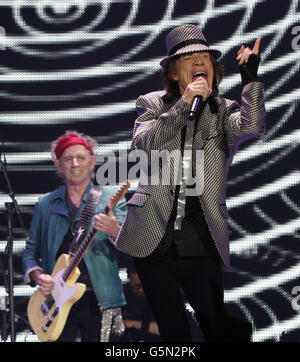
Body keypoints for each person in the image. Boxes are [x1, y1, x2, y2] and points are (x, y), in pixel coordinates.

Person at [115, 24, 266, 341]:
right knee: (174, 333)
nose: (200, 63)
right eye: (190, 58)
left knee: (215, 325)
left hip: (200, 238)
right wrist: (184, 104)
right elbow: (146, 145)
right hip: (153, 239)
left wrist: (251, 79)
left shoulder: (223, 111)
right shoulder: (152, 103)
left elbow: (253, 126)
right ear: (173, 73)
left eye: (205, 58)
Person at [22, 131, 127, 342]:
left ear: (92, 162)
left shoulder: (109, 198)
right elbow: (29, 253)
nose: (75, 164)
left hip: (100, 299)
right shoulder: (45, 204)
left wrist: (115, 230)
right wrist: (37, 276)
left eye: (81, 157)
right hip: (56, 301)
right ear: (58, 166)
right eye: (68, 159)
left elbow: (133, 246)